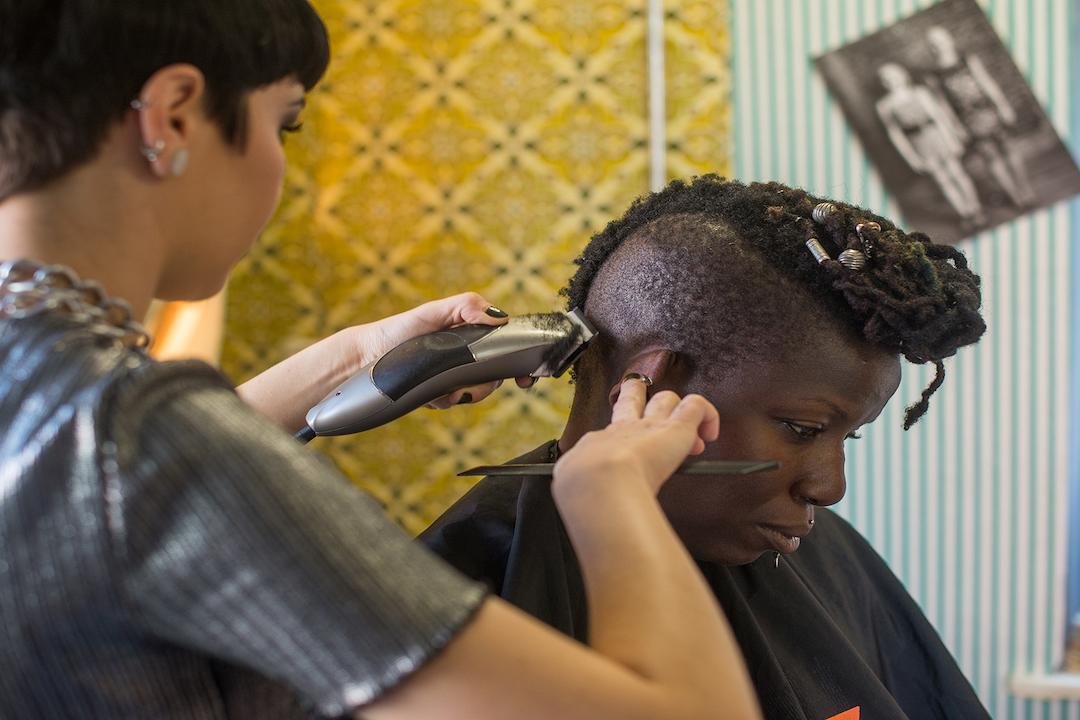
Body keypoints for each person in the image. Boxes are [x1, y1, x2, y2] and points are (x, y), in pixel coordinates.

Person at [0, 3, 762, 719]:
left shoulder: (81, 414)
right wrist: (611, 486)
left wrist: (355, 357)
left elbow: (94, 491)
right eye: (285, 123)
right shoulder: (146, 444)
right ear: (171, 115)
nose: (280, 166)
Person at [423, 176, 992, 720]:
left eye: (851, 436)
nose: (830, 488)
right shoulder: (466, 587)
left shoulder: (812, 550)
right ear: (646, 384)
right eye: (801, 428)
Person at [924, 25, 1036, 209]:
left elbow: (987, 84)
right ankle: (1015, 196)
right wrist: (955, 127)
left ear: (950, 40)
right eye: (933, 44)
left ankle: (1026, 190)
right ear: (930, 48)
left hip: (989, 111)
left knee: (1010, 150)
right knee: (992, 159)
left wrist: (1003, 106)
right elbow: (943, 105)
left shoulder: (967, 60)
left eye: (941, 40)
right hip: (969, 121)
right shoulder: (933, 76)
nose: (939, 46)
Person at [875, 62, 985, 227]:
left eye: (894, 75)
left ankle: (976, 209)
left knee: (957, 173)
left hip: (937, 135)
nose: (892, 80)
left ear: (903, 75)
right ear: (883, 82)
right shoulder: (884, 106)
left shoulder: (920, 93)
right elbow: (896, 135)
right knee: (942, 180)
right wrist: (911, 158)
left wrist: (951, 139)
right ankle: (965, 213)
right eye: (887, 78)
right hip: (918, 144)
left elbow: (939, 116)